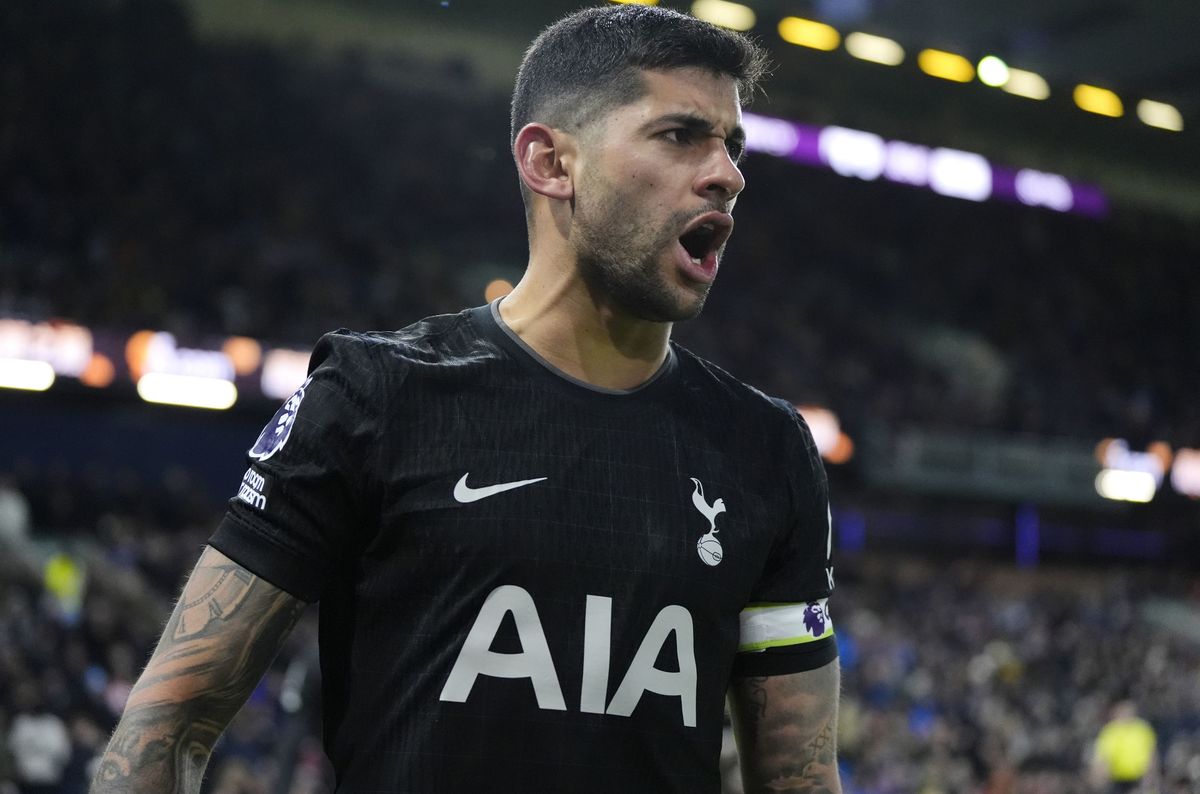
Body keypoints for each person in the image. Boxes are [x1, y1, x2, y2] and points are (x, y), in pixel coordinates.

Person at [91, 6, 841, 792]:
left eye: (733, 144)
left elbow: (797, 777)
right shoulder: (377, 397)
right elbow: (166, 728)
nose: (728, 172)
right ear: (551, 162)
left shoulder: (768, 450)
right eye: (681, 135)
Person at [1090, 699, 1158, 793]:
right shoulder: (1110, 731)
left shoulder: (1142, 729)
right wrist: (1100, 775)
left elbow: (1151, 753)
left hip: (1138, 777)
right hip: (1117, 778)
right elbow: (1103, 756)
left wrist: (1151, 774)